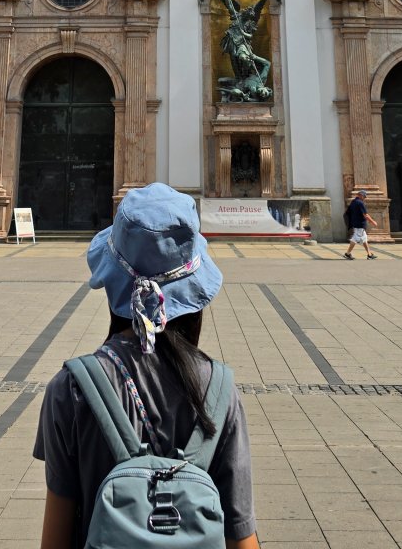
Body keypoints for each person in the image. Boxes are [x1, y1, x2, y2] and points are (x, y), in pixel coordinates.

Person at [35, 184, 259, 549]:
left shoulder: (71, 389)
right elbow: (240, 536)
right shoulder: (219, 392)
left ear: (113, 285)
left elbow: (55, 537)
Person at [343, 189, 377, 260]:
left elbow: (348, 212)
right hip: (360, 224)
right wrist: (373, 221)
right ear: (361, 195)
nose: (364, 198)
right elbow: (366, 215)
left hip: (355, 223)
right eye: (364, 196)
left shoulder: (353, 202)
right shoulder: (360, 203)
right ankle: (347, 253)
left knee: (364, 239)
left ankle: (369, 254)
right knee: (355, 239)